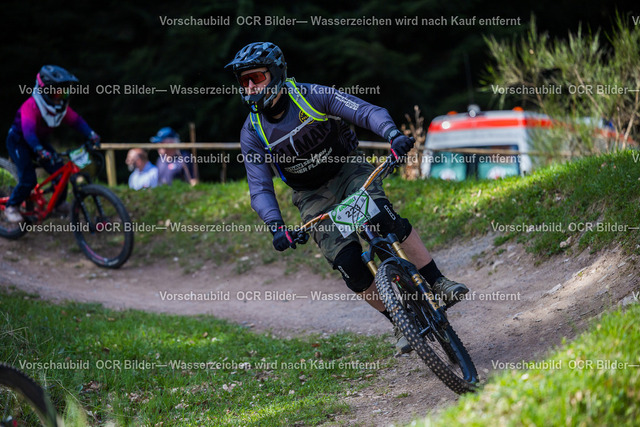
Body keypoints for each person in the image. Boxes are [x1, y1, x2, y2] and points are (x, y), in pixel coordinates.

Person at [226, 42, 470, 354]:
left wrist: (392, 135)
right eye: (243, 80)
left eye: (256, 78)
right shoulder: (253, 131)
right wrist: (276, 226)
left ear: (275, 73)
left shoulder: (311, 95)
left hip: (349, 171)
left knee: (382, 219)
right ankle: (399, 320)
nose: (249, 87)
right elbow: (260, 187)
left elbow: (366, 111)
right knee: (349, 264)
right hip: (311, 196)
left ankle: (437, 282)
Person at [4, 65, 100, 222]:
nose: (61, 97)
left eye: (65, 92)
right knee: (28, 180)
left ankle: (58, 204)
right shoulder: (31, 106)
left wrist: (91, 134)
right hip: (19, 142)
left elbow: (76, 121)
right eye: (57, 93)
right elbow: (28, 133)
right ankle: (11, 206)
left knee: (61, 172)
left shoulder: (61, 108)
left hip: (39, 142)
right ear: (44, 91)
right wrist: (39, 150)